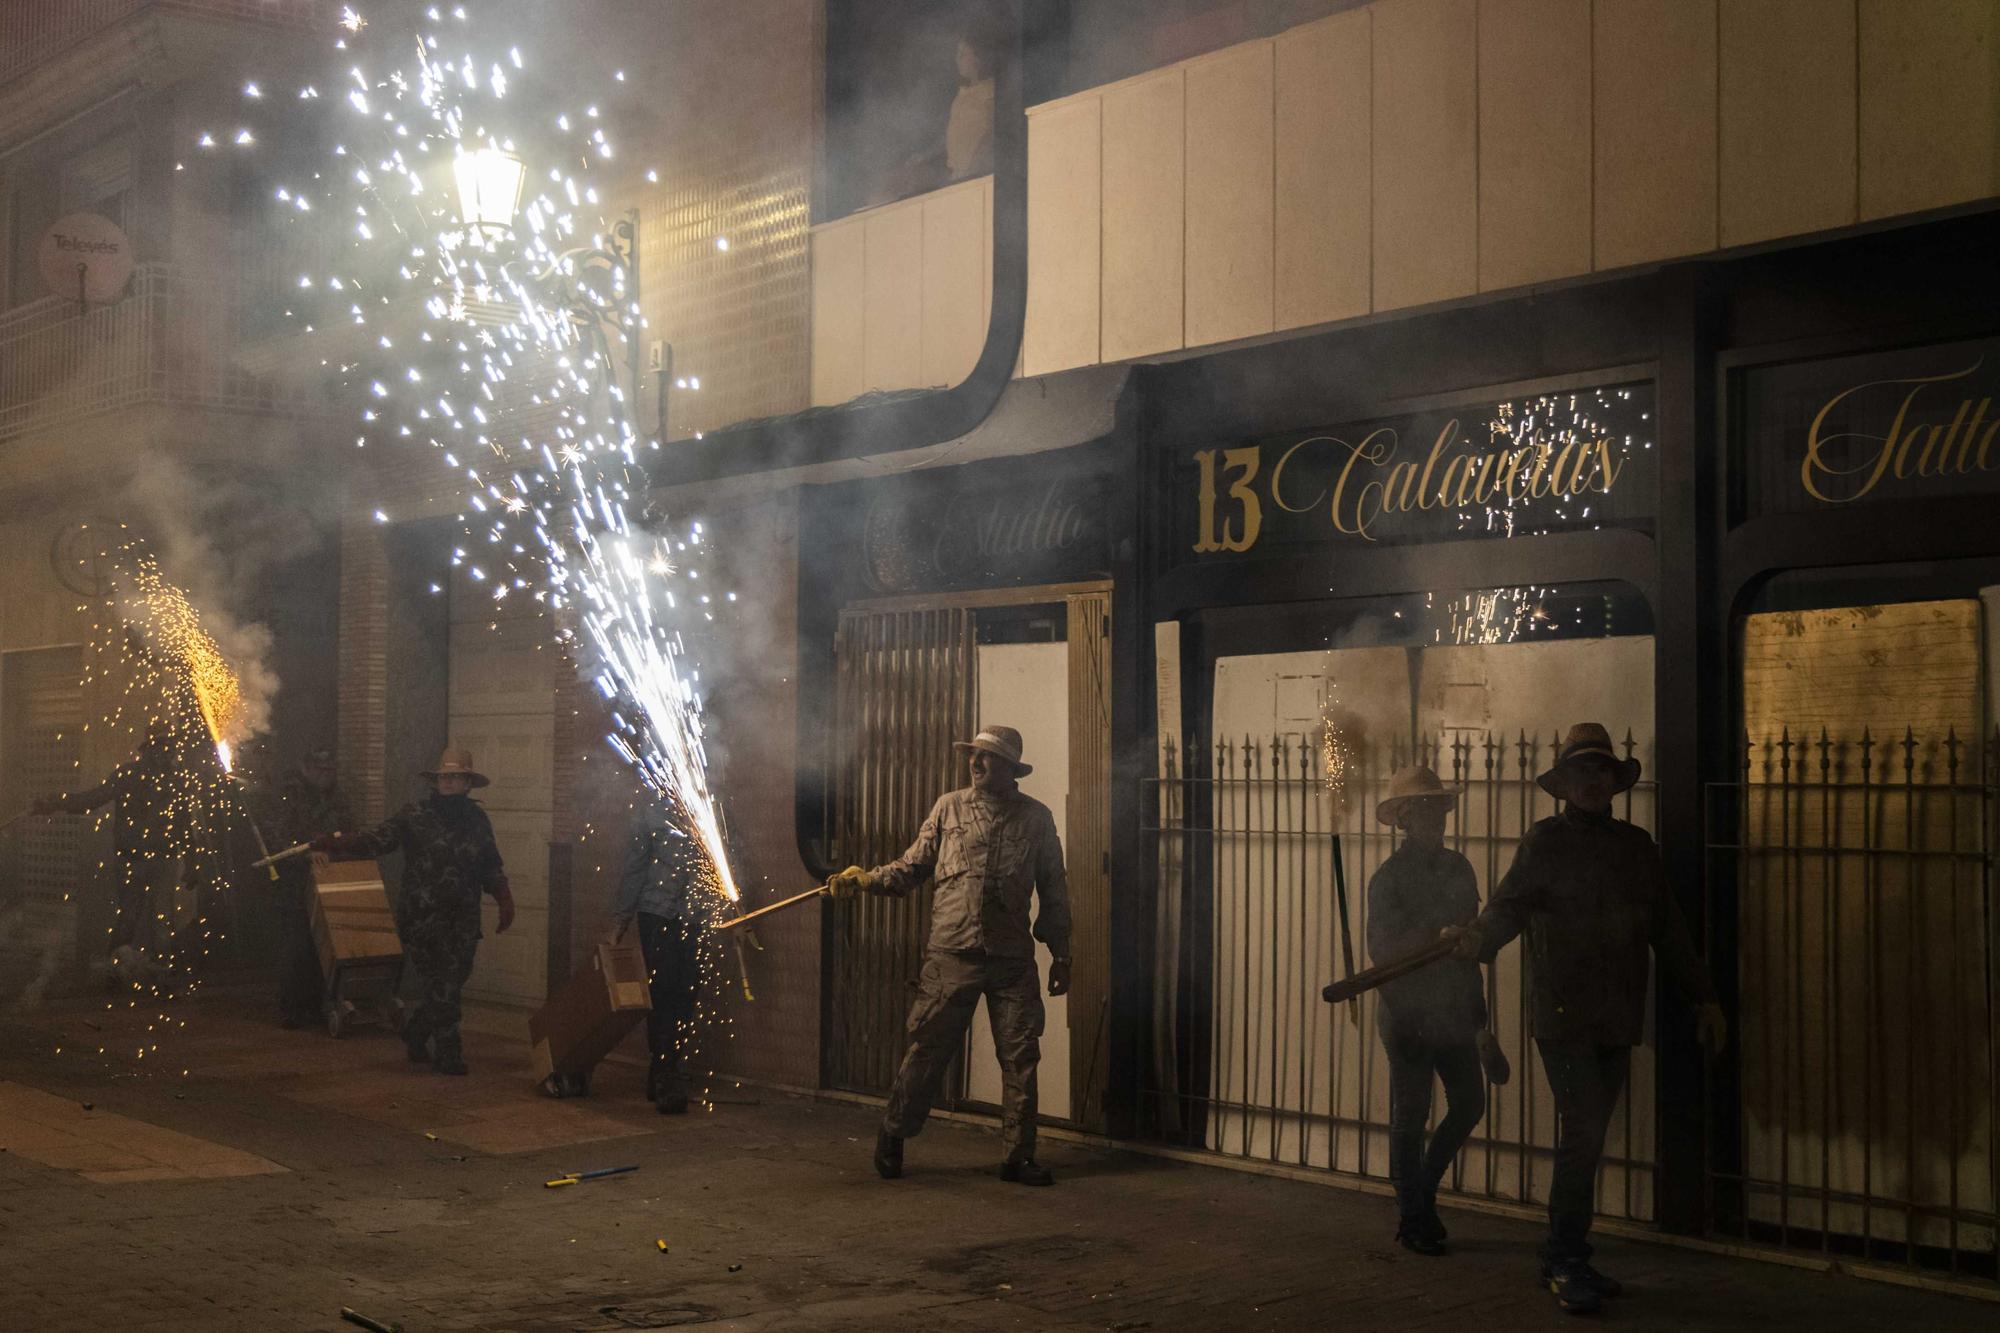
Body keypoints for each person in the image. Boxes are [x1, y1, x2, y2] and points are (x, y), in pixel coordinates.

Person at [1443, 722, 1727, 1314]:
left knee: (1587, 1138)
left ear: (1614, 782)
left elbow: (1668, 930)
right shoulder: (1544, 844)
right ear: (1565, 784)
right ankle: (1566, 1257)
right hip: (1563, 1014)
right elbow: (1508, 908)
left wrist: (1704, 996)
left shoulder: (1637, 848)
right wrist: (1477, 940)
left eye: (1600, 771)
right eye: (1581, 772)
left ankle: (1564, 1254)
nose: (1591, 782)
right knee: (1582, 1135)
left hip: (1618, 1014)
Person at [826, 725, 1071, 1186]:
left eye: (988, 758)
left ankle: (1017, 1157)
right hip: (951, 954)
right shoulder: (949, 808)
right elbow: (911, 868)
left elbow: (1054, 888)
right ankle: (894, 1134)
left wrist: (1062, 954)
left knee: (1021, 1057)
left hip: (1011, 958)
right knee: (928, 1051)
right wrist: (864, 880)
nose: (976, 764)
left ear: (1010, 768)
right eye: (974, 756)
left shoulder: (1036, 818)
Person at [315, 747, 513, 1075]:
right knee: (444, 983)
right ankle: (449, 1054)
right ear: (436, 782)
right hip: (424, 919)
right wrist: (338, 843)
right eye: (444, 777)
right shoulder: (416, 814)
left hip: (462, 919)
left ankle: (416, 1032)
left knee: (451, 982)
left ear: (467, 783)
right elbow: (378, 840)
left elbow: (489, 863)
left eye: (456, 777)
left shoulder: (477, 820)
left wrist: (504, 898)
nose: (449, 782)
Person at [1366, 765, 1487, 1257]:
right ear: (1402, 819)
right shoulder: (1388, 879)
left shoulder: (1460, 867)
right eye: (1421, 809)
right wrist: (1432, 939)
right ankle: (1413, 1217)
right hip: (1408, 1010)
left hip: (1453, 1007)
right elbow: (1383, 950)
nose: (1432, 816)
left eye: (1437, 807)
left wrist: (1472, 944)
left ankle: (1424, 1189)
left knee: (1470, 1103)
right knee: (1410, 1117)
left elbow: (1474, 936)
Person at [32, 716, 215, 988]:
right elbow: (94, 799)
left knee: (161, 920)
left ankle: (158, 973)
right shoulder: (129, 775)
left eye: (169, 748)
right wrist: (58, 802)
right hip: (134, 860)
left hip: (162, 859)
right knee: (131, 915)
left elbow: (184, 824)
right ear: (150, 749)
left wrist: (191, 862)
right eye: (163, 747)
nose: (167, 753)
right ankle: (117, 970)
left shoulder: (175, 781)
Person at [613, 798, 714, 1114]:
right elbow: (635, 866)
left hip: (695, 915)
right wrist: (621, 919)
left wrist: (738, 911)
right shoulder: (648, 811)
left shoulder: (713, 807)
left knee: (688, 990)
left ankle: (666, 1066)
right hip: (657, 913)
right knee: (663, 990)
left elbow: (729, 857)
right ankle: (664, 1071)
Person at [253, 747, 354, 1029]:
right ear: (306, 768)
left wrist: (340, 850)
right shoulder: (287, 795)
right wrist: (305, 853)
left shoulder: (337, 796)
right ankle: (295, 1008)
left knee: (324, 947)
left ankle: (319, 1004)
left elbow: (347, 829)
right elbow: (277, 836)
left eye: (329, 770)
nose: (325, 776)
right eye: (320, 770)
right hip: (294, 885)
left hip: (327, 881)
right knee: (297, 947)